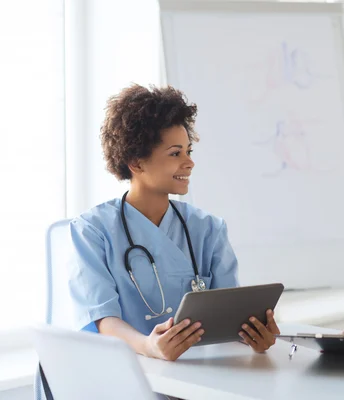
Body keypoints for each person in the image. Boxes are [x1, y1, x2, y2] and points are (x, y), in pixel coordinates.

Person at [68, 84, 279, 362]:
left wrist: (253, 337)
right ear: (136, 162)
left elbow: (230, 315)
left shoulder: (208, 229)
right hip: (127, 369)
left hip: (196, 371)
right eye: (175, 153)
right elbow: (102, 319)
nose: (189, 163)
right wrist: (149, 346)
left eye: (189, 151)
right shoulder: (92, 230)